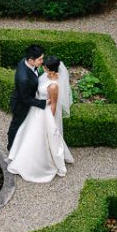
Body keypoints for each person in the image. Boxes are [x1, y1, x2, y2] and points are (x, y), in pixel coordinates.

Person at [7, 55, 74, 183]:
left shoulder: (54, 86)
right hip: (37, 109)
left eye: (45, 67)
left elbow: (53, 104)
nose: (42, 67)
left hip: (45, 113)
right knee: (27, 133)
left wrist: (51, 122)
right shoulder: (45, 76)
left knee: (39, 137)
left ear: (52, 71)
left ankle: (40, 163)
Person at [7, 45, 47, 151]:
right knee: (16, 125)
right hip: (21, 105)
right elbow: (26, 99)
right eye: (40, 59)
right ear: (31, 60)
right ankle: (11, 147)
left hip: (27, 97)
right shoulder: (23, 78)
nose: (42, 61)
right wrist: (43, 103)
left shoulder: (24, 61)